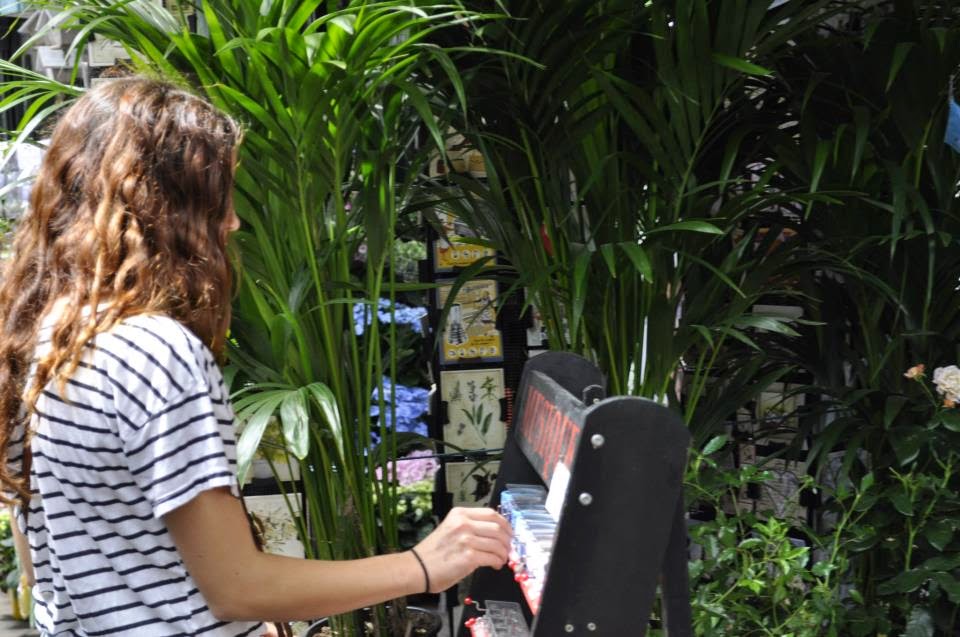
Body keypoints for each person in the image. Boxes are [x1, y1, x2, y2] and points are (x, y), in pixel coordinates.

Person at [0, 77, 512, 636]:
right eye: (216, 198)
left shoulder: (39, 338)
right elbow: (237, 588)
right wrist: (423, 565)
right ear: (162, 207)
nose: (232, 222)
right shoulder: (156, 352)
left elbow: (53, 563)